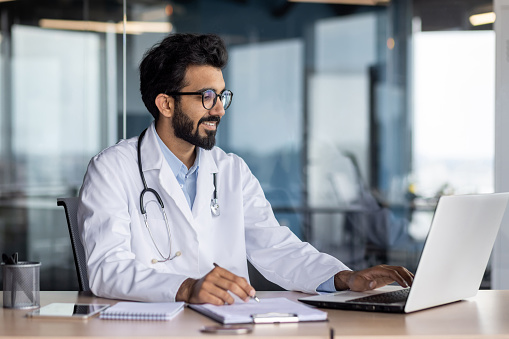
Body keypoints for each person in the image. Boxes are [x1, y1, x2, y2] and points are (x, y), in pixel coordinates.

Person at [78, 33, 413, 305]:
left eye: (223, 96)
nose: (220, 110)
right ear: (166, 103)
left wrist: (345, 278)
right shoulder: (112, 169)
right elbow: (107, 268)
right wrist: (186, 288)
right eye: (207, 96)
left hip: (230, 327)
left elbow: (276, 248)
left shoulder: (231, 170)